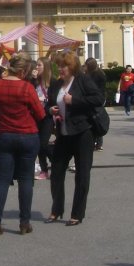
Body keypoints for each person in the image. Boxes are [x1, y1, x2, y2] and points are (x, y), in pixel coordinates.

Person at [0, 53, 45, 236]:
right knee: (26, 180)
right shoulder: (27, 88)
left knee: (2, 180)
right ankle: (24, 223)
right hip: (27, 136)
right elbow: (40, 114)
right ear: (22, 71)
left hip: (4, 136)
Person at [46, 52, 104, 226]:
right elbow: (49, 103)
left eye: (64, 66)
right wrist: (51, 110)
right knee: (56, 172)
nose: (61, 69)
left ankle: (77, 214)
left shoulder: (82, 80)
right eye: (59, 66)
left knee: (82, 174)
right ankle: (57, 209)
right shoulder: (56, 84)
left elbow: (98, 99)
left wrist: (75, 100)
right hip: (63, 133)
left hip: (83, 133)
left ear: (72, 67)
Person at [31, 57, 57, 178]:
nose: (36, 67)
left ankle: (57, 163)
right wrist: (33, 79)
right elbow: (29, 93)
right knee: (37, 144)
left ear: (45, 67)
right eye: (36, 65)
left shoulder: (53, 81)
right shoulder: (36, 81)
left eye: (39, 65)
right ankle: (44, 170)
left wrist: (44, 99)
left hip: (47, 115)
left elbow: (54, 100)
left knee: (43, 144)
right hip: (36, 115)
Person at [84, 58, 107, 151]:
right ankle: (96, 142)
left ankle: (98, 142)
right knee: (95, 120)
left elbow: (96, 89)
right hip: (96, 99)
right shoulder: (93, 74)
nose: (85, 67)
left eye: (86, 65)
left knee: (96, 119)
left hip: (96, 100)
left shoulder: (97, 75)